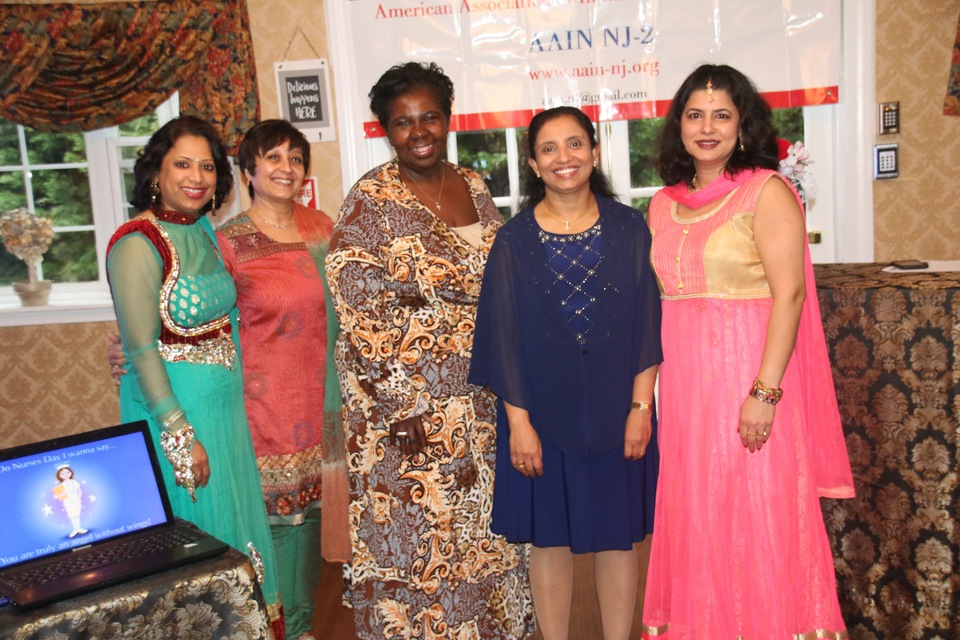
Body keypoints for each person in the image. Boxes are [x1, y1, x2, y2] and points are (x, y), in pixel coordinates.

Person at [639, 64, 854, 638]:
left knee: (758, 511)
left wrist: (764, 392)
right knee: (699, 513)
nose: (707, 127)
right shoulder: (661, 204)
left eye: (722, 115)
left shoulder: (766, 191)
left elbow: (790, 295)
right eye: (695, 115)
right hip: (686, 395)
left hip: (750, 382)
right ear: (678, 126)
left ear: (743, 125)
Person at [325, 61, 535, 639]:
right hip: (409, 409)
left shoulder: (473, 185)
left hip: (481, 397)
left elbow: (504, 279)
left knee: (483, 529)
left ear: (447, 119)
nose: (419, 132)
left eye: (430, 118)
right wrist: (401, 404)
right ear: (386, 130)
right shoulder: (370, 200)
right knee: (423, 537)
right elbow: (356, 305)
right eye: (403, 122)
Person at [468, 106, 663, 640]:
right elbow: (503, 340)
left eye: (574, 144)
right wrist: (520, 425)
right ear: (533, 164)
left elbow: (648, 326)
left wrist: (640, 409)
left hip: (618, 412)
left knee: (617, 538)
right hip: (541, 418)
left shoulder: (629, 228)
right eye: (548, 149)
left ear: (594, 152)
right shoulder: (512, 241)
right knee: (548, 539)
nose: (564, 158)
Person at [105, 116, 282, 634]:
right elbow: (141, 348)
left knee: (236, 535)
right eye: (182, 163)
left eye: (207, 166)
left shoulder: (202, 230)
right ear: (155, 172)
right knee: (197, 550)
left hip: (224, 416)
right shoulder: (137, 242)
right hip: (177, 417)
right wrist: (181, 435)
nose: (197, 177)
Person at [216, 119, 346, 640]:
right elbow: (203, 323)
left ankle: (303, 626)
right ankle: (285, 629)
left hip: (327, 402)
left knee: (314, 520)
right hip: (268, 410)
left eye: (295, 158)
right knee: (281, 526)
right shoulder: (229, 242)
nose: (286, 168)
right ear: (248, 170)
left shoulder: (322, 227)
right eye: (273, 157)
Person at [53, 465, 87, 538]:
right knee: (72, 516)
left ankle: (79, 528)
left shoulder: (74, 482)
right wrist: (57, 496)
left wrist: (79, 498)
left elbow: (79, 491)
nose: (65, 475)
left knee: (77, 515)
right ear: (59, 475)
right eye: (62, 474)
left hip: (76, 500)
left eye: (67, 472)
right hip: (67, 502)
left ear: (71, 473)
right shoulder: (61, 485)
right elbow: (60, 495)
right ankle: (75, 529)